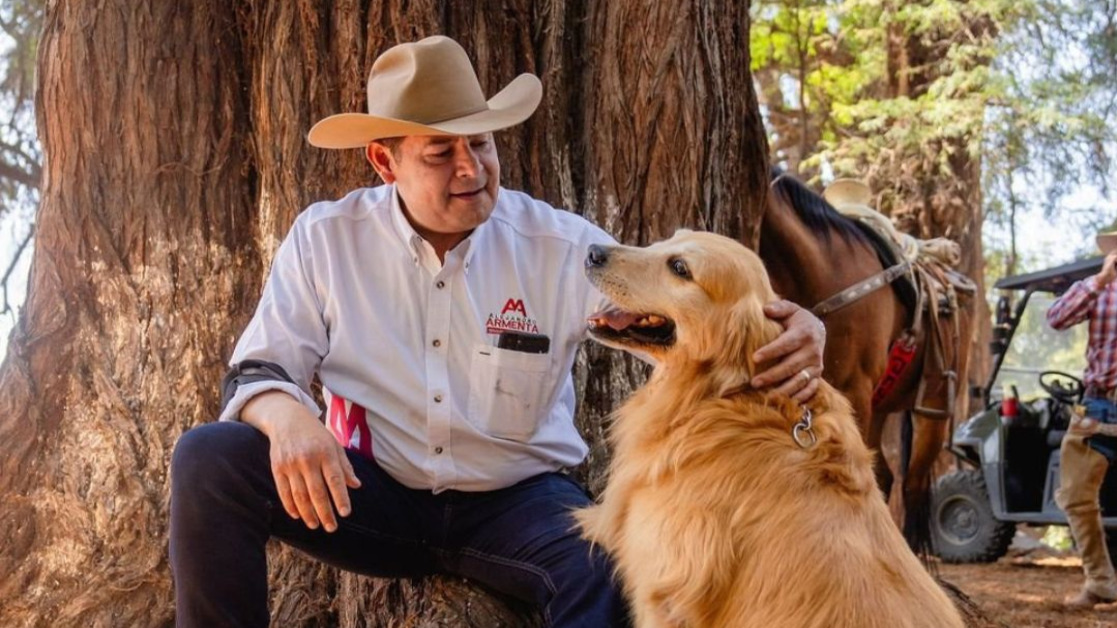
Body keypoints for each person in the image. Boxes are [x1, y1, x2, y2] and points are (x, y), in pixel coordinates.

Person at [168, 35, 826, 627]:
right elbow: (258, 367)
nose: (471, 169)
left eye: (480, 144)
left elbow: (686, 304)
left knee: (608, 574)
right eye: (440, 153)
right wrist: (286, 417)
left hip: (518, 503)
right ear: (384, 162)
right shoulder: (326, 239)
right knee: (209, 459)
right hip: (372, 492)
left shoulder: (561, 246)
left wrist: (795, 322)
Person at [1047, 230, 1117, 609]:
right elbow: (1056, 318)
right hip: (1098, 405)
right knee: (1075, 495)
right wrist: (1099, 281)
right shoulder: (1101, 289)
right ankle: (1101, 581)